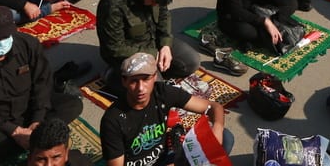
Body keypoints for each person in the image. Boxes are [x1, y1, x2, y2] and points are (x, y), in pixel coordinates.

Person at [0, 6, 82, 166]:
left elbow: (42, 82)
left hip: (29, 109)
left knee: (73, 105)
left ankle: (33, 140)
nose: (2, 42)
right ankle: (32, 142)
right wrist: (15, 131)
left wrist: (37, 120)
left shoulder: (28, 45)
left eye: (6, 37)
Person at [100, 52, 233, 166]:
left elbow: (213, 107)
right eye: (134, 81)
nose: (141, 88)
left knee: (225, 137)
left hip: (167, 158)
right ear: (124, 82)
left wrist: (217, 128)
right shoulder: (113, 120)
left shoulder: (162, 93)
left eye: (146, 79)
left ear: (154, 77)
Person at [96, 0, 198, 91]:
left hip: (153, 42)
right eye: (153, 2)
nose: (155, 5)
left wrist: (165, 45)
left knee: (191, 62)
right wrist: (153, 54)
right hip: (128, 53)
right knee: (155, 91)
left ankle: (150, 73)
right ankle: (115, 75)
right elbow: (115, 48)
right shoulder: (112, 5)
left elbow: (163, 16)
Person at [26, 117, 92, 166]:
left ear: (66, 154)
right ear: (29, 159)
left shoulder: (81, 162)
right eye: (41, 159)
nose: (49, 165)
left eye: (56, 157)